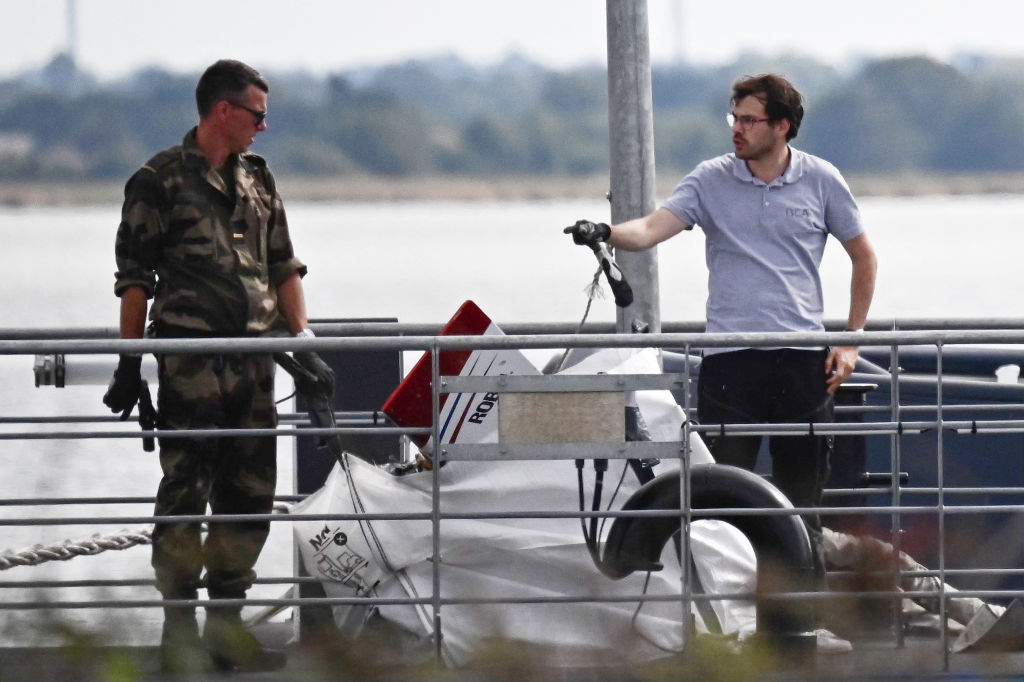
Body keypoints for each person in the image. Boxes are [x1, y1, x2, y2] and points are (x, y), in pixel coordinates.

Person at [565, 73, 878, 581]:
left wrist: (851, 340)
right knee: (719, 494)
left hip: (803, 359)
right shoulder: (710, 178)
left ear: (782, 126)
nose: (737, 128)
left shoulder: (822, 179)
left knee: (802, 504)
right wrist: (604, 232)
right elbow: (650, 228)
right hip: (730, 359)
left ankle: (804, 625)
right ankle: (725, 622)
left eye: (750, 119)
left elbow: (864, 258)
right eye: (734, 117)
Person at [103, 59, 334, 674]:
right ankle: (179, 631)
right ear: (224, 111)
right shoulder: (158, 180)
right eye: (258, 114)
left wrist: (303, 342)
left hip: (256, 364)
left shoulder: (259, 177)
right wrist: (130, 365)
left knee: (250, 495)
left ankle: (226, 629)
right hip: (190, 363)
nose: (264, 126)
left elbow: (284, 264)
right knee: (185, 495)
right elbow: (135, 281)